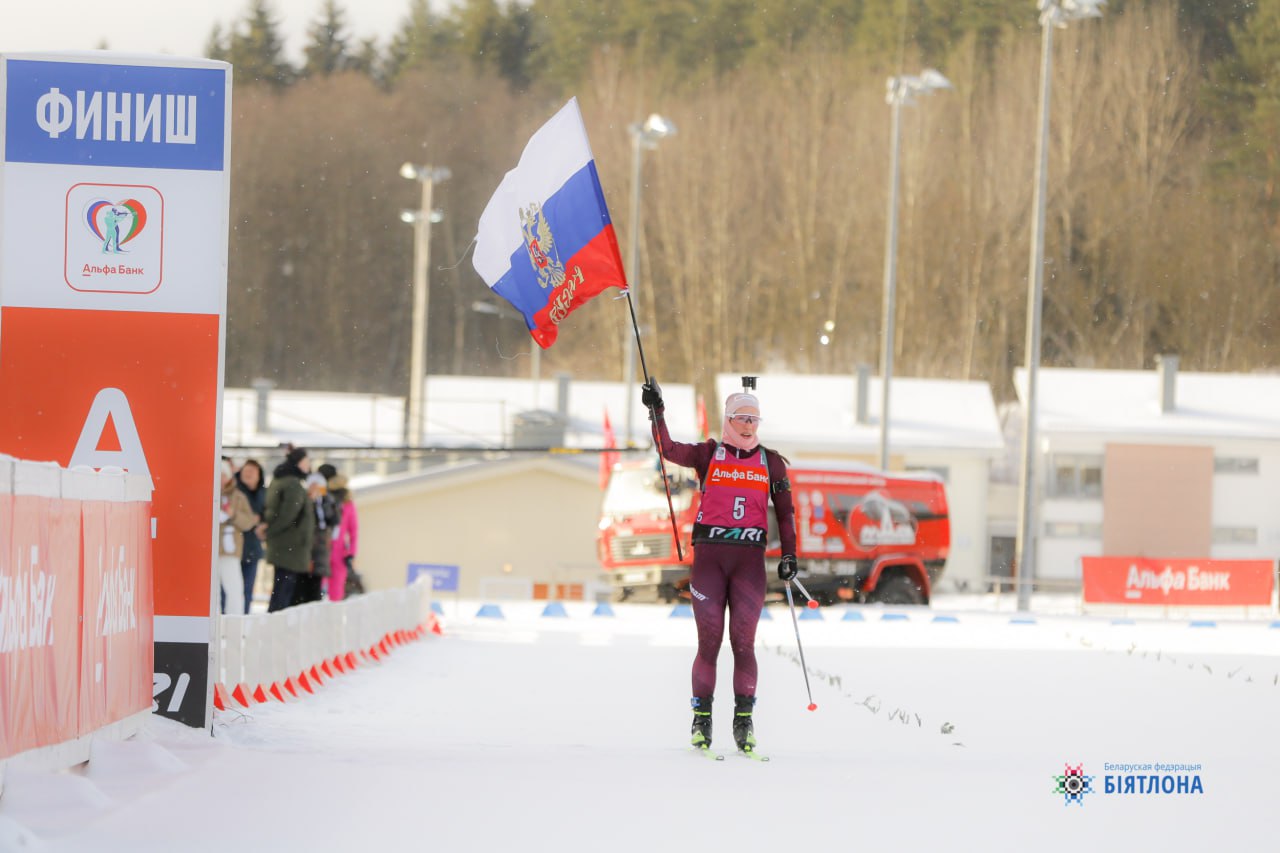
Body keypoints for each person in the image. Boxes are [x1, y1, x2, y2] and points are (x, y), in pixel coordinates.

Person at [642, 379, 796, 755]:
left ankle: (744, 722)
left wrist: (790, 555)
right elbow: (667, 449)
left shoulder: (770, 461)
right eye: (742, 418)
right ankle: (702, 720)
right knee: (708, 643)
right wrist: (656, 411)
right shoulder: (709, 454)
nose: (748, 426)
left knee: (743, 644)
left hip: (749, 563)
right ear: (728, 419)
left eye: (754, 420)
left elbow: (787, 514)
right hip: (710, 558)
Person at [264, 446, 315, 612]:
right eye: (307, 462)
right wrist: (270, 531)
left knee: (281, 589)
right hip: (290, 547)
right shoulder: (293, 483)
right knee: (283, 594)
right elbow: (288, 514)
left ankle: (274, 624)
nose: (309, 466)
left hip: (283, 545)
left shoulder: (280, 479)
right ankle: (275, 628)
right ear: (299, 462)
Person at [218, 458, 258, 615]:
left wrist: (233, 515)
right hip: (209, 551)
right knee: (212, 593)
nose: (221, 479)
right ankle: (213, 626)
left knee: (234, 589)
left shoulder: (238, 497)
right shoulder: (205, 492)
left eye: (223, 475)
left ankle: (233, 624)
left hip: (230, 550)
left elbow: (248, 522)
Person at [296, 472, 337, 605]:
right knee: (303, 582)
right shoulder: (303, 501)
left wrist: (324, 502)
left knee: (316, 582)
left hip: (321, 546)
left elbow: (334, 519)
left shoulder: (327, 501)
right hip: (307, 545)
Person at [235, 458, 268, 613]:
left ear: (259, 475)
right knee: (232, 589)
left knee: (248, 589)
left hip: (253, 548)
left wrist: (263, 523)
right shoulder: (235, 490)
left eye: (252, 472)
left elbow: (269, 514)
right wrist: (251, 520)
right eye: (245, 471)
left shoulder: (264, 493)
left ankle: (244, 617)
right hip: (235, 546)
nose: (248, 474)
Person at [324, 472, 359, 601]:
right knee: (318, 587)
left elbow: (354, 530)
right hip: (323, 547)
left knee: (336, 590)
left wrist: (351, 553)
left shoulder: (348, 504)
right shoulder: (324, 499)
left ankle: (333, 617)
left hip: (339, 552)